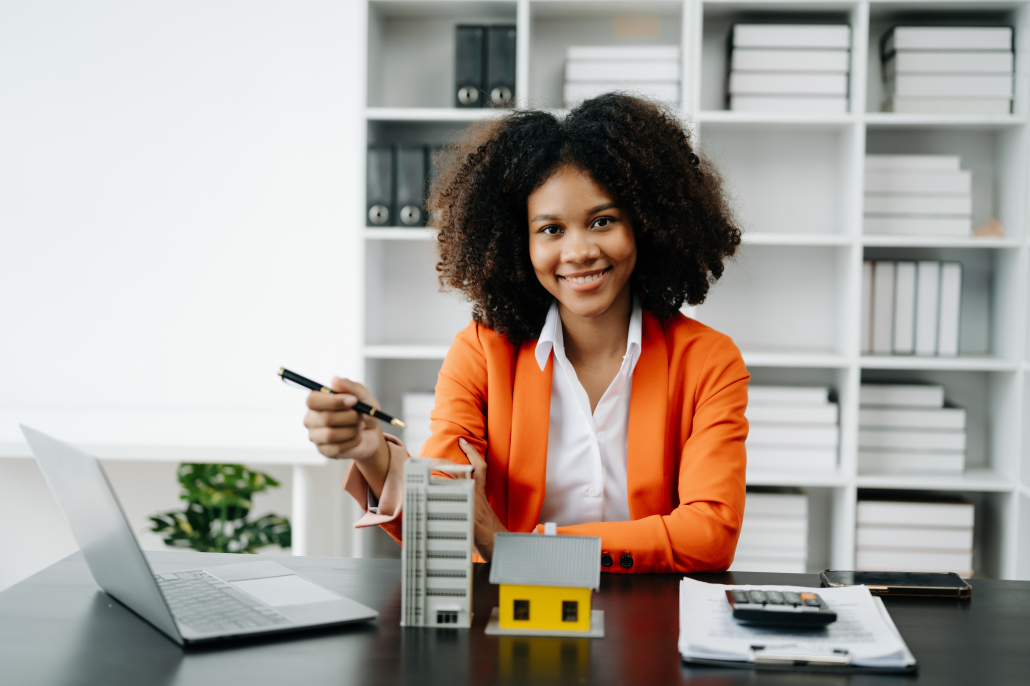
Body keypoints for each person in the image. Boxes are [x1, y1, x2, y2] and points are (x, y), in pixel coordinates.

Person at [303, 94, 748, 573]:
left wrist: (519, 550)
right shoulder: (481, 353)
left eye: (602, 221)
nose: (578, 251)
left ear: (644, 224)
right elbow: (444, 512)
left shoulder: (708, 362)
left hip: (650, 626)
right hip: (511, 623)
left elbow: (708, 535)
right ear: (520, 244)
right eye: (551, 230)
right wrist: (374, 455)